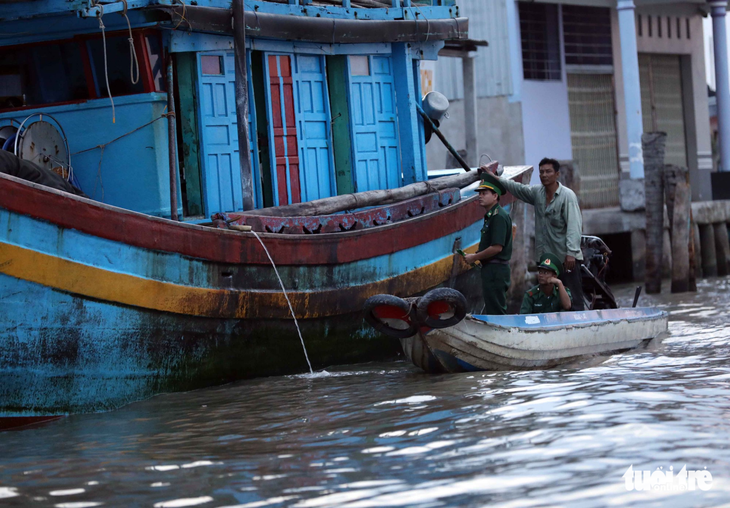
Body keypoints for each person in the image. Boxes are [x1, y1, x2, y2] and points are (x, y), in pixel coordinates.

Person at [484, 157, 585, 310]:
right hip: (545, 259)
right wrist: (494, 178)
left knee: (573, 298)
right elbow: (517, 188)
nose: (544, 175)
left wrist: (571, 252)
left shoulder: (567, 196)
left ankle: (578, 324)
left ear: (557, 174)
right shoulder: (538, 193)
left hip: (565, 257)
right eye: (542, 172)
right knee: (547, 298)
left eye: (548, 172)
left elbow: (574, 226)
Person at [464, 173, 513, 315]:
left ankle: (501, 336)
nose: (480, 196)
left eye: (484, 193)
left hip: (496, 270)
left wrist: (474, 257)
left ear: (495, 196)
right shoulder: (491, 215)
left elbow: (497, 247)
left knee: (496, 311)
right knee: (492, 308)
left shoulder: (498, 216)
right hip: (491, 269)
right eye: (479, 193)